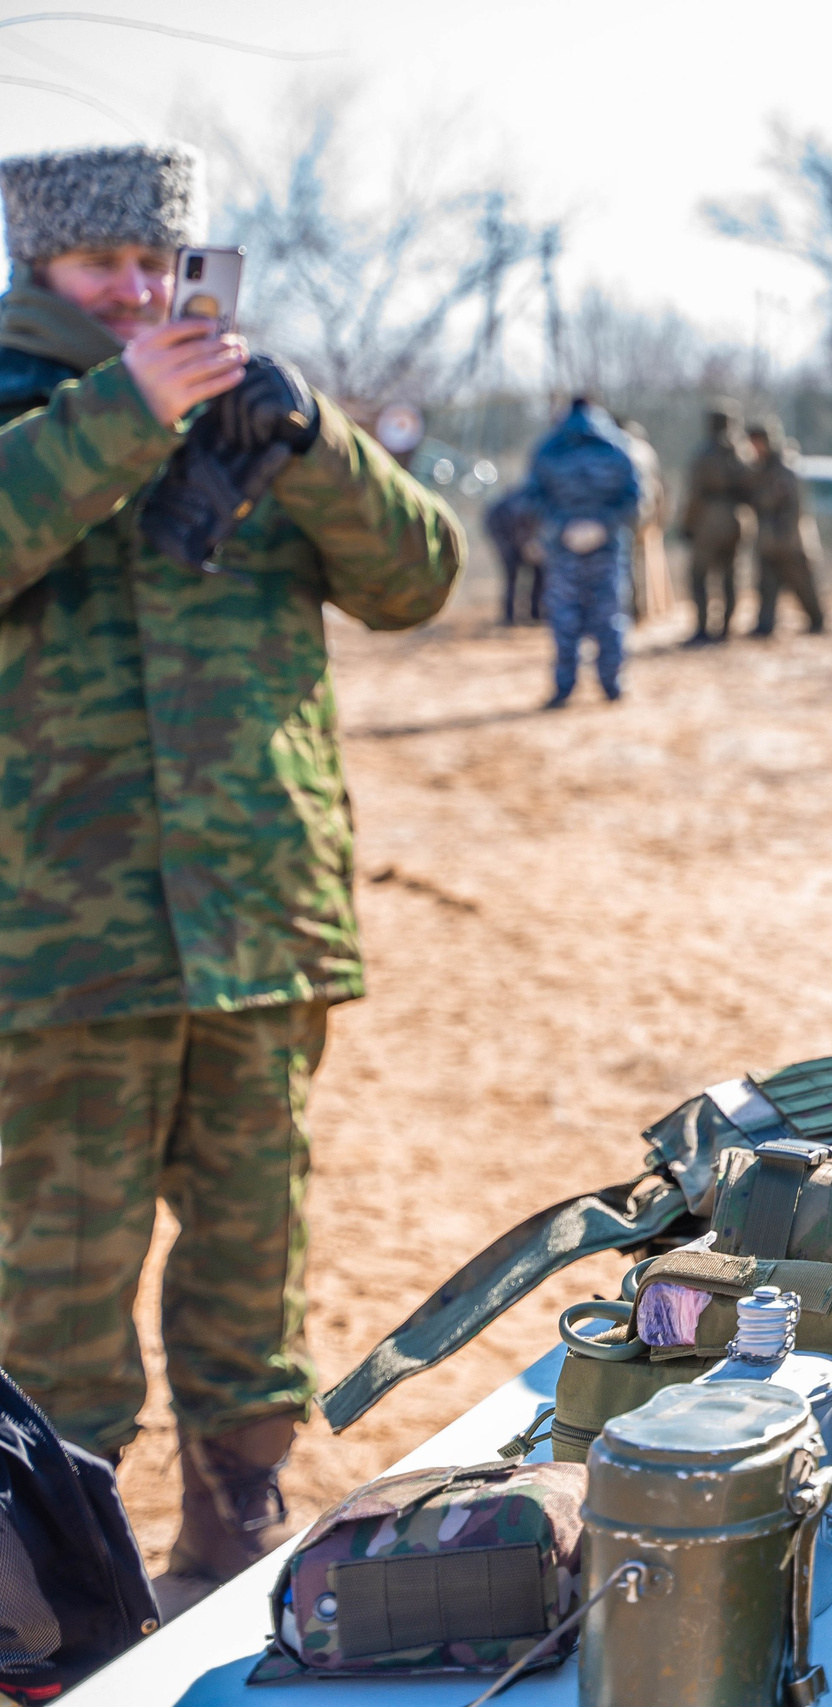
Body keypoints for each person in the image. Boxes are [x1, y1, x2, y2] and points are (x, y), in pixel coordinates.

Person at [0, 142, 463, 1601]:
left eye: (160, 264)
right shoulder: (29, 412)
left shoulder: (260, 417)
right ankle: (54, 1586)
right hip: (63, 941)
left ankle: (231, 1532)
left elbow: (420, 580)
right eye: (102, 269)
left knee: (252, 1267)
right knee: (57, 1285)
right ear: (40, 274)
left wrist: (320, 440)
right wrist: (123, 415)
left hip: (261, 927)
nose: (138, 290)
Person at [526, 395, 640, 707]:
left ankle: (563, 688)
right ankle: (612, 685)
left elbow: (532, 497)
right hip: (607, 548)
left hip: (563, 550)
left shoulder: (548, 447)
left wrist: (561, 527)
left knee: (564, 619)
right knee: (610, 618)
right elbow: (634, 498)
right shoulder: (618, 446)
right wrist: (603, 525)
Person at [678, 401, 751, 644]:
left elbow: (695, 494)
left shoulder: (705, 454)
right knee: (730, 575)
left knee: (699, 576)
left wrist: (687, 524)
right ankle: (726, 627)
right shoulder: (742, 452)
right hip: (737, 519)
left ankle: (702, 628)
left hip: (709, 520)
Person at [745, 421, 825, 636]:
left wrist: (784, 537)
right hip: (768, 540)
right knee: (766, 586)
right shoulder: (759, 468)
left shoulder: (784, 468)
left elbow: (794, 507)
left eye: (758, 442)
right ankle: (765, 625)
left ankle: (817, 620)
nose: (755, 447)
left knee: (802, 584)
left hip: (790, 541)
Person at [620, 415, 674, 623]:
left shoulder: (620, 445)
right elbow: (659, 486)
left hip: (628, 511)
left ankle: (631, 608)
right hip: (647, 511)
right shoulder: (646, 450)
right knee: (638, 557)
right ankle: (643, 608)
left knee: (627, 559)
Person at [482, 477, 544, 625]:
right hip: (506, 541)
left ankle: (535, 613)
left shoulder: (539, 503)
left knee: (540, 573)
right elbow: (514, 528)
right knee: (511, 575)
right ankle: (509, 616)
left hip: (525, 541)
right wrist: (525, 546)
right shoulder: (515, 506)